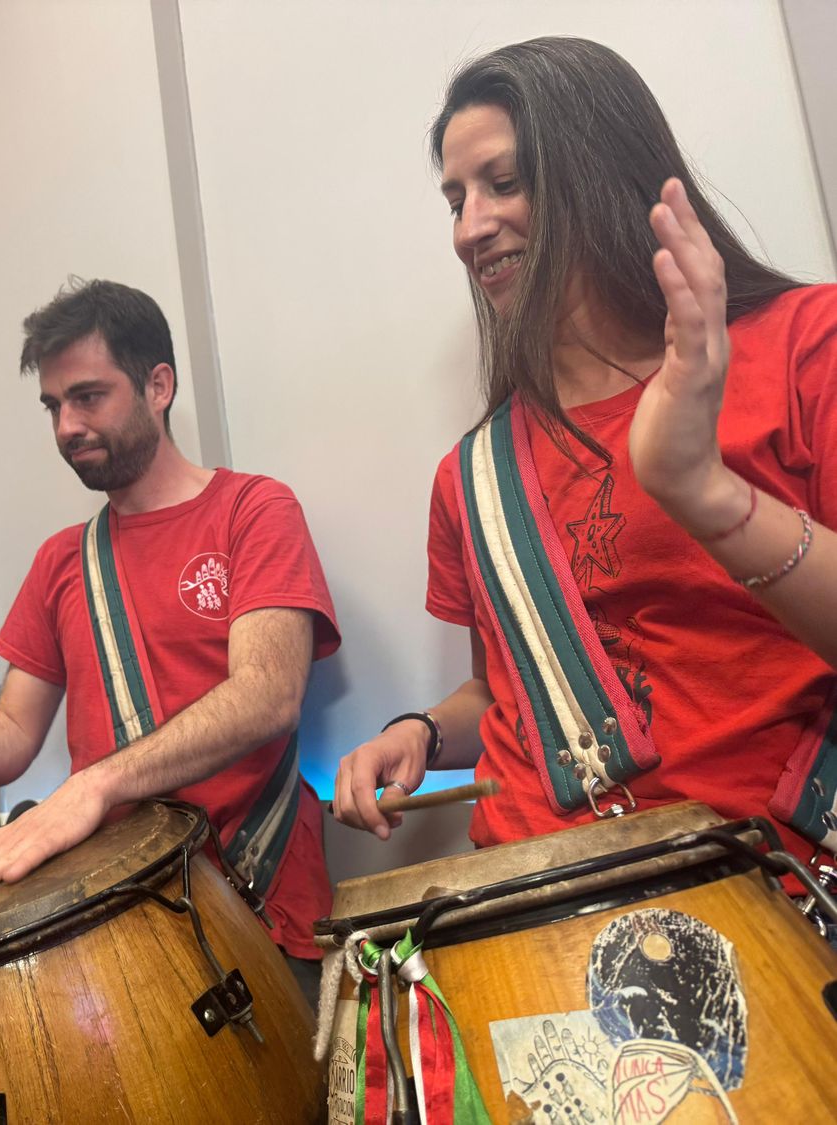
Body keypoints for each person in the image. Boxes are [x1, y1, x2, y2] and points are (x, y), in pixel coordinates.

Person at [333, 37, 837, 868]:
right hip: (534, 890)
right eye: (455, 199)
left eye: (505, 182)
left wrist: (703, 490)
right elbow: (506, 687)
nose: (470, 226)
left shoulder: (804, 346)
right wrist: (419, 732)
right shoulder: (473, 475)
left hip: (770, 883)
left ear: (599, 171)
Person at [0, 280, 341, 995]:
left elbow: (269, 693)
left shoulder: (255, 510)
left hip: (262, 911)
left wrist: (96, 785)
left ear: (158, 385)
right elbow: (12, 727)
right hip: (123, 926)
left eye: (88, 396)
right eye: (54, 405)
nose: (66, 425)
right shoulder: (60, 560)